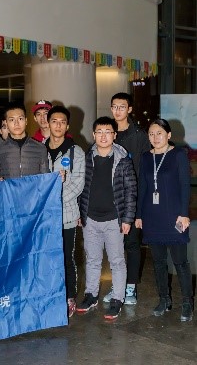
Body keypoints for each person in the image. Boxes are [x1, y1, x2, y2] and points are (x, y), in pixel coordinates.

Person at [75, 117, 138, 320]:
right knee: (92, 260)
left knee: (117, 261)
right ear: (93, 135)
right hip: (90, 219)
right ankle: (91, 295)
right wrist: (80, 213)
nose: (103, 136)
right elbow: (80, 188)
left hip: (114, 220)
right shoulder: (86, 158)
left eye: (108, 132)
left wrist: (127, 219)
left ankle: (117, 299)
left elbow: (131, 191)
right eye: (99, 132)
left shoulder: (123, 159)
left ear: (114, 135)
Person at [135, 119, 192, 321]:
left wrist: (184, 214)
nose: (155, 137)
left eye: (159, 133)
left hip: (175, 216)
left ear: (168, 135)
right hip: (152, 216)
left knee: (180, 262)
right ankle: (164, 299)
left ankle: (187, 302)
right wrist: (139, 215)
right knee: (158, 262)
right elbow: (143, 187)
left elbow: (185, 185)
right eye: (151, 134)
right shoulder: (145, 157)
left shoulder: (178, 154)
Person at [45, 106, 86, 315]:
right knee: (47, 256)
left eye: (62, 122)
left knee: (66, 257)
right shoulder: (39, 150)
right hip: (44, 216)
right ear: (48, 123)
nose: (58, 125)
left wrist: (53, 199)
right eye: (54, 121)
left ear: (68, 126)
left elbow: (77, 184)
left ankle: (69, 296)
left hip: (66, 215)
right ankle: (51, 294)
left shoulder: (75, 151)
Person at [110, 92, 147, 305]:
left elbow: (144, 171)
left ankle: (131, 287)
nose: (117, 111)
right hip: (111, 200)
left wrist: (140, 208)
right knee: (114, 246)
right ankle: (117, 286)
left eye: (122, 107)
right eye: (114, 106)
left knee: (132, 243)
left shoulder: (139, 136)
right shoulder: (108, 133)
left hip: (132, 198)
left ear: (129, 109)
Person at [0, 102, 51, 179]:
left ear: (26, 121)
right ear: (6, 123)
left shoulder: (40, 148)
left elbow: (45, 179)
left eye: (20, 119)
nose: (16, 123)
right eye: (12, 120)